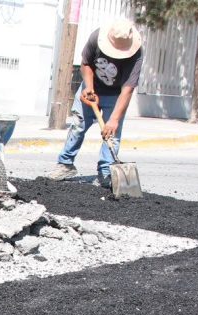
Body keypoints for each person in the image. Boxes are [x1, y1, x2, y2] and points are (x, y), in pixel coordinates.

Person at [46, 18, 143, 188]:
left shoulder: (136, 54)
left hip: (115, 95)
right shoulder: (96, 38)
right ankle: (65, 164)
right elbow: (86, 63)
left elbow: (127, 89)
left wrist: (114, 120)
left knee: (112, 135)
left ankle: (106, 172)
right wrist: (89, 87)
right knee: (78, 126)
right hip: (90, 89)